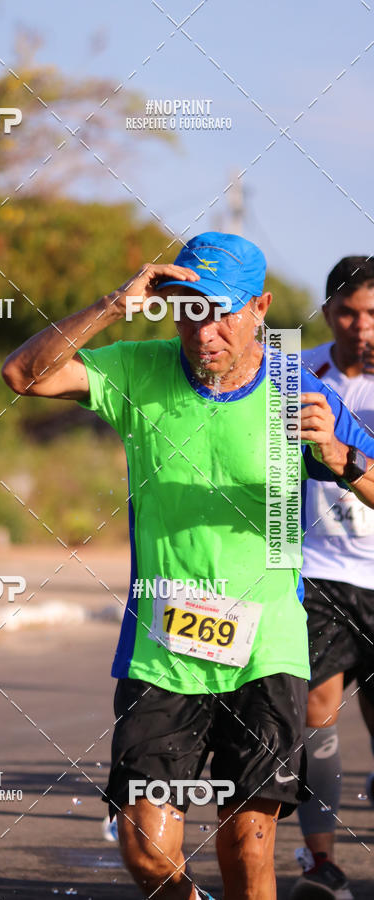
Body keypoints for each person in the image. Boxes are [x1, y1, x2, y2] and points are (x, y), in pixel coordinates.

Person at [2, 232, 374, 900]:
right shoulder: (138, 371)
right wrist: (114, 305)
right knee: (146, 853)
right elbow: (23, 375)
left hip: (267, 649)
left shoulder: (298, 392)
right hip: (162, 653)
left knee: (247, 853)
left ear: (260, 307)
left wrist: (343, 459)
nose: (204, 332)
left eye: (222, 312)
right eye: (188, 311)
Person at [292, 257, 374, 900]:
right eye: (348, 311)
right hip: (318, 568)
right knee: (316, 712)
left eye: (373, 314)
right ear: (327, 313)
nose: (360, 325)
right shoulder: (296, 372)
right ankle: (321, 863)